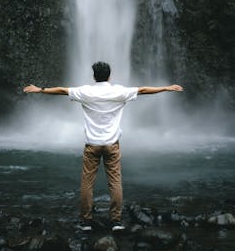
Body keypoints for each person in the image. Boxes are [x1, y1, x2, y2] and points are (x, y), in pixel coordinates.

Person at [23, 61, 184, 232]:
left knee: (87, 183)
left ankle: (86, 222)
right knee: (115, 182)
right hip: (111, 144)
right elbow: (143, 90)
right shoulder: (119, 91)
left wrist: (40, 90)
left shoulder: (85, 91)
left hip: (92, 144)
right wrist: (166, 88)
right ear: (109, 76)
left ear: (94, 76)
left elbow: (62, 90)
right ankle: (115, 221)